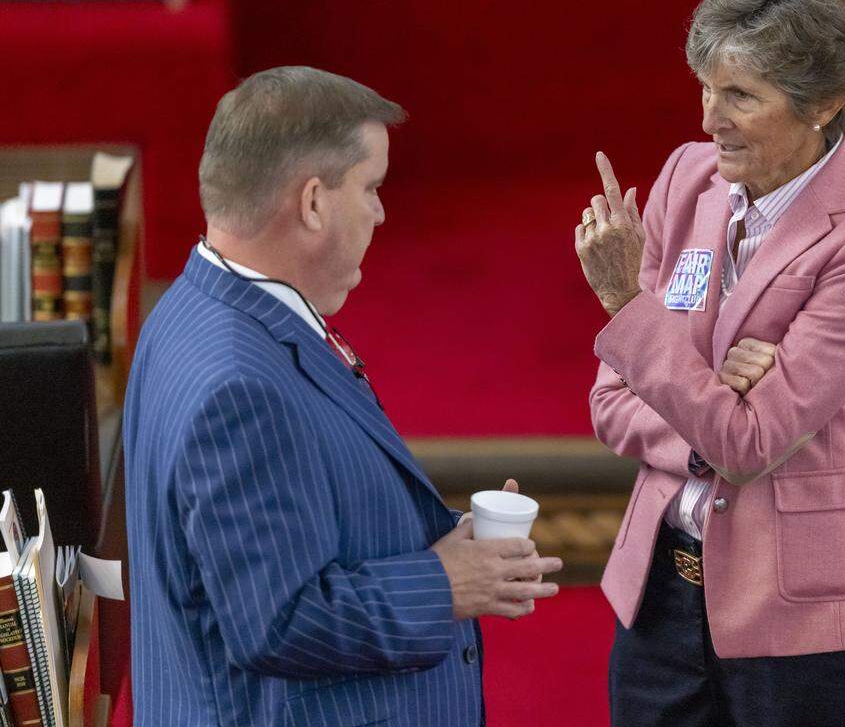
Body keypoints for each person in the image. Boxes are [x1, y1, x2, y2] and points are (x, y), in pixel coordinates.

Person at [124, 66, 561, 726]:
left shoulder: (188, 308)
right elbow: (276, 620)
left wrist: (441, 543)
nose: (382, 212)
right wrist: (447, 582)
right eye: (372, 187)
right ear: (312, 202)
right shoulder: (238, 385)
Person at [574, 0, 845, 726]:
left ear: (826, 103)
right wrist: (715, 398)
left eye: (741, 96)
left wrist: (629, 311)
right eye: (705, 88)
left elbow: (750, 441)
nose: (711, 120)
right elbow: (611, 401)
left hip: (809, 615)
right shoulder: (687, 178)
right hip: (664, 597)